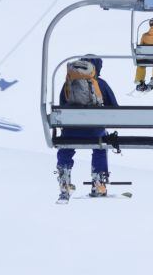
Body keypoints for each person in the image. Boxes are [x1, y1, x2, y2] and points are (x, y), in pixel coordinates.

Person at [55, 57, 117, 199]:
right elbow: (115, 110)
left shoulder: (68, 84)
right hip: (95, 131)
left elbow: (61, 107)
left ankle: (64, 181)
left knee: (66, 146)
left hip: (70, 131)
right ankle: (98, 183)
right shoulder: (101, 84)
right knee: (101, 146)